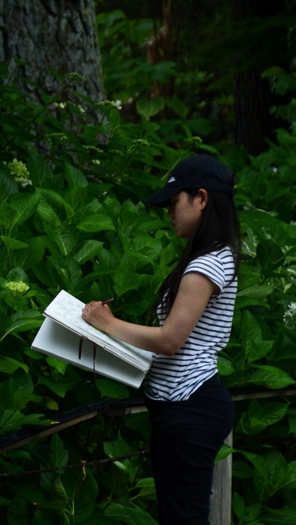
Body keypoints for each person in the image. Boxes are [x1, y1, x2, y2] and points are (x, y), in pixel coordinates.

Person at [82, 154, 239, 525]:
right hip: (186, 407)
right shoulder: (213, 257)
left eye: (173, 203)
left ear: (201, 199)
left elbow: (171, 340)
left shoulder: (207, 264)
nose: (169, 213)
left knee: (182, 518)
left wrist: (107, 322)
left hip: (190, 406)